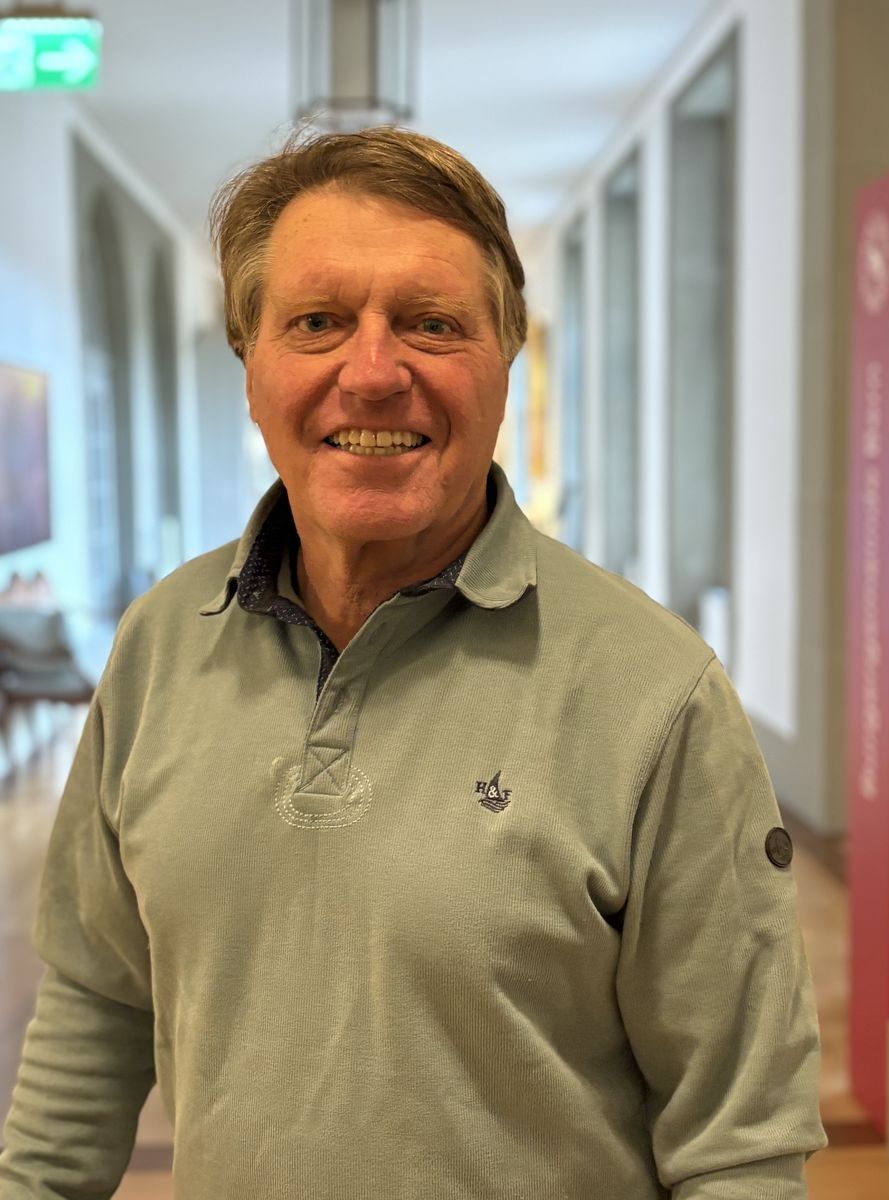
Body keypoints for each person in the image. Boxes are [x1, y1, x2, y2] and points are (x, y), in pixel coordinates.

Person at [0, 126, 826, 1198]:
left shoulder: (656, 694)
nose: (374, 373)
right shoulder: (159, 646)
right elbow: (97, 1003)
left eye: (433, 323)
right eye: (317, 322)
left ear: (506, 359)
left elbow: (740, 1146)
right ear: (250, 363)